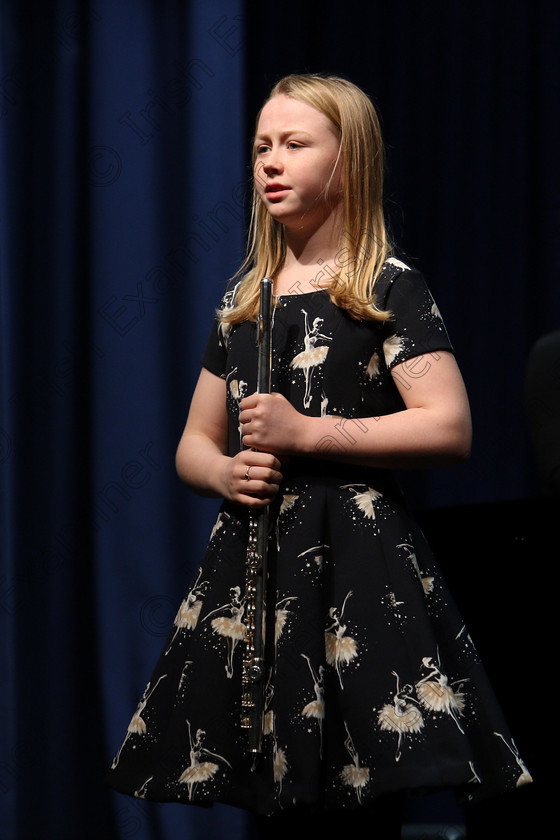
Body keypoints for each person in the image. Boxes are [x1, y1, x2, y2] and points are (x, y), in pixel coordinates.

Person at [105, 74, 531, 836]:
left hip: (356, 571)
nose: (271, 160)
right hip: (260, 572)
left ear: (350, 163)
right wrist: (225, 471)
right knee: (274, 791)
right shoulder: (243, 300)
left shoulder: (381, 286)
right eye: (262, 146)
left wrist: (306, 433)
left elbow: (447, 426)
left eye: (295, 144)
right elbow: (193, 446)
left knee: (357, 793)